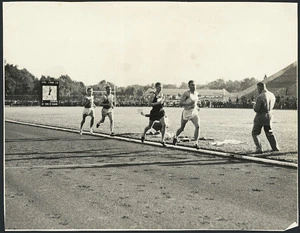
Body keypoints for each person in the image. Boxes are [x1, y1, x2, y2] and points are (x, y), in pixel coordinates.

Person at [252, 82, 280, 153]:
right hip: (270, 115)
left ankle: (259, 148)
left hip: (261, 116)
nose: (257, 90)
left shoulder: (260, 96)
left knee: (255, 133)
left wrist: (254, 105)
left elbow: (256, 109)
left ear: (260, 88)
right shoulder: (272, 95)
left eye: (258, 88)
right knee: (269, 132)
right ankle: (275, 147)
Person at [173, 80, 200, 149]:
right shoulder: (186, 94)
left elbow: (195, 103)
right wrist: (188, 104)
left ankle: (195, 143)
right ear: (189, 86)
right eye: (192, 85)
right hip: (186, 112)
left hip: (194, 112)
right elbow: (180, 103)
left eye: (194, 85)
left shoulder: (196, 93)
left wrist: (197, 107)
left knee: (197, 126)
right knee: (182, 128)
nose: (194, 86)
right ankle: (175, 137)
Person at [141, 82, 167, 146]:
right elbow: (149, 104)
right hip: (154, 112)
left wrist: (163, 103)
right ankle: (143, 134)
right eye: (159, 87)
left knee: (164, 125)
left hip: (161, 111)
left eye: (161, 87)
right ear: (156, 87)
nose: (160, 89)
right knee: (149, 126)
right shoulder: (153, 95)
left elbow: (163, 103)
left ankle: (162, 140)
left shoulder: (162, 95)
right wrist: (157, 103)